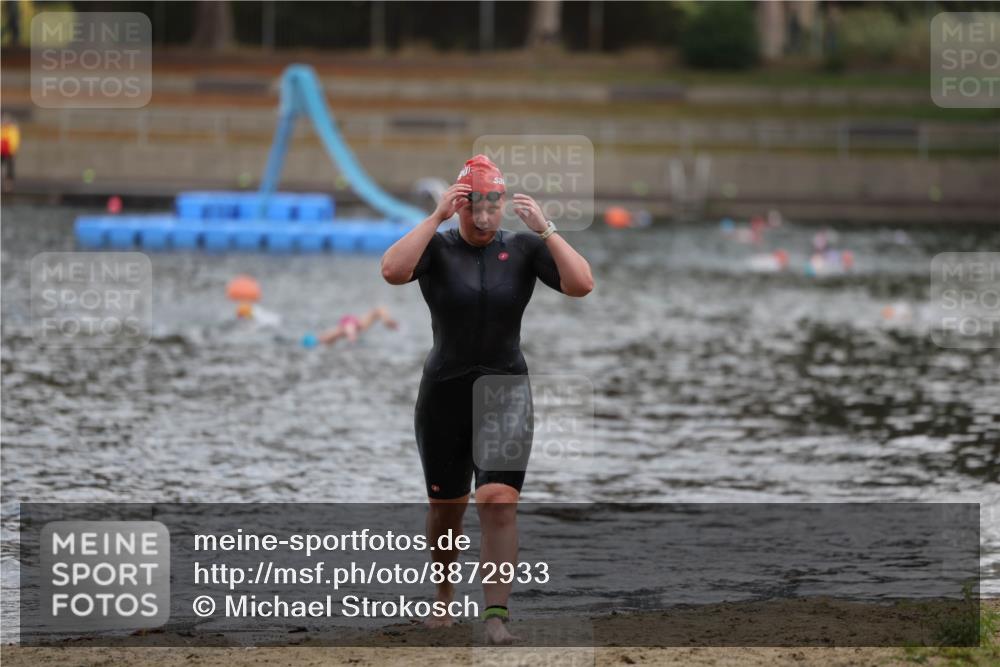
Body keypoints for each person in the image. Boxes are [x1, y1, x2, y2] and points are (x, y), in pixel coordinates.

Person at [380, 154, 593, 644]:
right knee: (447, 507)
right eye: (472, 207)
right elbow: (391, 271)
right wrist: (433, 218)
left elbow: (582, 285)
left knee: (498, 501)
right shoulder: (436, 248)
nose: (482, 218)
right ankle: (443, 599)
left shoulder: (523, 249)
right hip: (445, 393)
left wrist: (547, 229)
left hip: (506, 391)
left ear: (503, 205)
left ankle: (495, 613)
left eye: (492, 207)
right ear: (459, 206)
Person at [316, 306, 398, 345]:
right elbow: (349, 327)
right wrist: (352, 337)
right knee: (331, 337)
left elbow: (349, 327)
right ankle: (388, 321)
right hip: (352, 325)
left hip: (351, 324)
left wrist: (352, 336)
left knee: (332, 336)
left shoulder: (356, 323)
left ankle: (388, 321)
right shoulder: (357, 323)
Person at [1, 114, 20, 188]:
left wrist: (13, 150)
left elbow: (15, 141)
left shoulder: (12, 130)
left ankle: (8, 183)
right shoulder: (2, 129)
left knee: (10, 167)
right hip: (1, 151)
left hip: (9, 152)